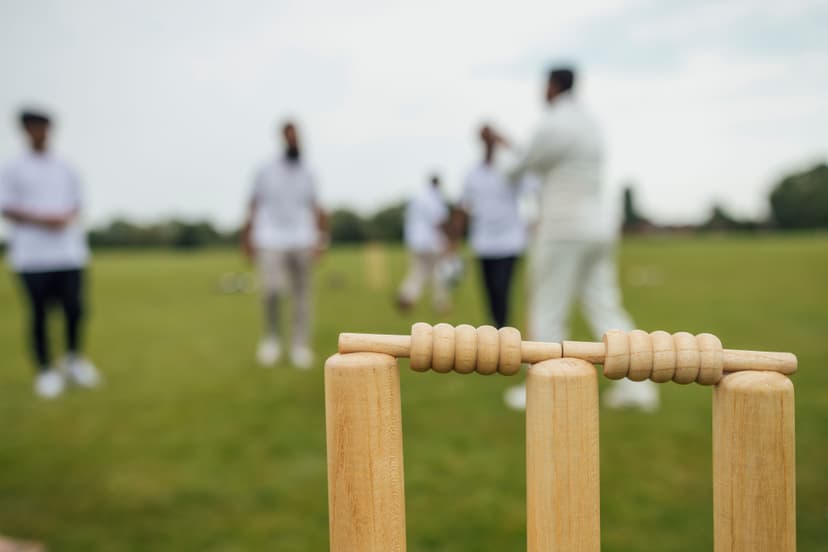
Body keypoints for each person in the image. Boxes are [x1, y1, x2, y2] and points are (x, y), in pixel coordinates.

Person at [502, 67, 659, 411]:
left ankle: (545, 390)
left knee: (547, 308)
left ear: (553, 86)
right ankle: (640, 389)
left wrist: (502, 148)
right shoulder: (591, 122)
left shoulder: (553, 122)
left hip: (563, 226)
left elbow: (518, 166)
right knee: (606, 306)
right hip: (600, 226)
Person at [0, 110, 100, 399]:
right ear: (25, 131)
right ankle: (46, 370)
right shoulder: (12, 168)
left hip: (69, 253)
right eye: (33, 127)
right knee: (40, 314)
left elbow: (78, 204)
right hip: (31, 257)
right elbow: (6, 206)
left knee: (74, 310)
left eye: (42, 127)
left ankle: (74, 360)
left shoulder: (66, 167)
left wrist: (64, 218)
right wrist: (44, 219)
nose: (38, 132)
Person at [242, 121, 328, 369]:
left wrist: (320, 240)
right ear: (282, 138)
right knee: (271, 290)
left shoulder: (309, 172)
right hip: (270, 238)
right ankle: (271, 340)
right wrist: (247, 237)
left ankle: (300, 345)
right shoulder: (265, 170)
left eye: (297, 136)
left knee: (303, 296)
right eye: (290, 137)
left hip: (303, 238)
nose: (294, 141)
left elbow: (316, 207)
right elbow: (254, 203)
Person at [455, 125, 528, 328]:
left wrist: (510, 143)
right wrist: (454, 242)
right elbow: (463, 206)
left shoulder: (510, 169)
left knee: (501, 290)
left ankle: (503, 335)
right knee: (490, 295)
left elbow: (530, 164)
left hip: (509, 242)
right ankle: (497, 335)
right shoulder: (472, 173)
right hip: (483, 243)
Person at [397, 174, 451, 313]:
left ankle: (407, 296)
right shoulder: (435, 199)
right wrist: (448, 240)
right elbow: (438, 221)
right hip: (430, 242)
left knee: (418, 271)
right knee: (437, 272)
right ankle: (440, 303)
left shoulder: (417, 198)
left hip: (415, 241)